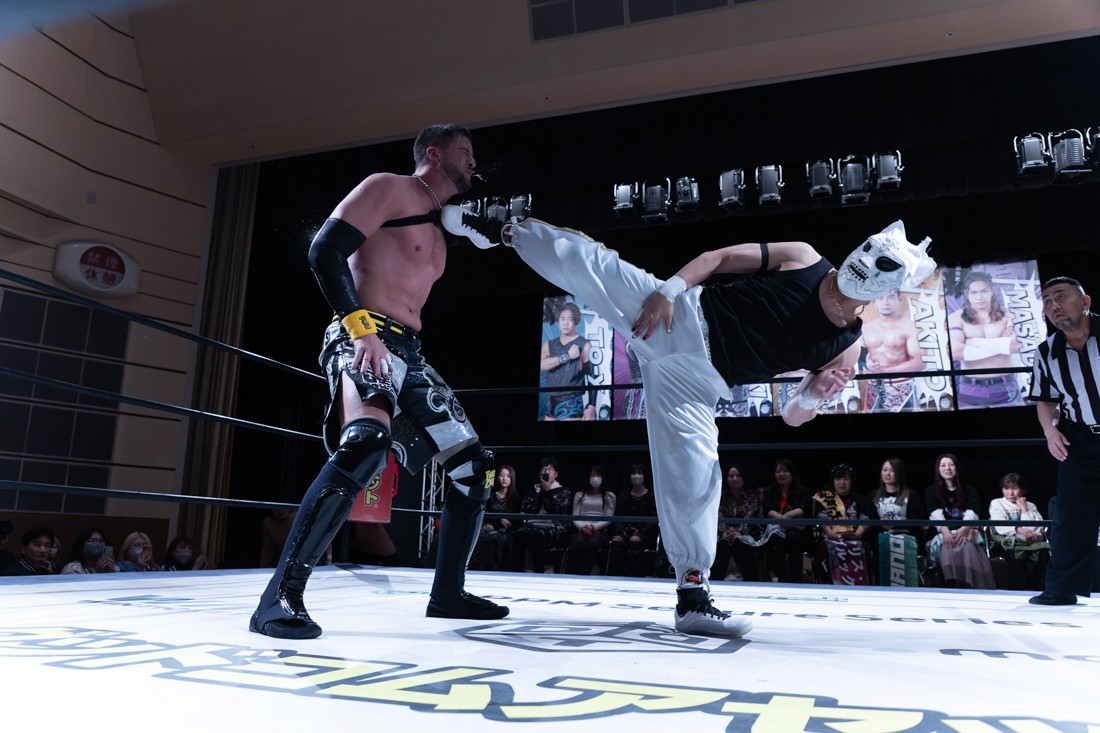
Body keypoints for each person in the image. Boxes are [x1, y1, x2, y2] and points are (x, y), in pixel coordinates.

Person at [445, 206, 935, 636]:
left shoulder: (848, 348)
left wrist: (814, 394)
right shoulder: (804, 257)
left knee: (699, 479)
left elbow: (792, 417)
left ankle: (692, 596)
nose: (866, 262)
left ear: (893, 285)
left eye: (884, 264)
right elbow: (718, 258)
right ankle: (501, 228)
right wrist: (668, 291)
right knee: (594, 264)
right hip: (676, 318)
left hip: (699, 384)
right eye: (869, 250)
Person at [250, 124, 508, 639]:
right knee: (366, 443)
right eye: (464, 151)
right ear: (433, 153)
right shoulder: (389, 187)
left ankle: (448, 594)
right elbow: (325, 250)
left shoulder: (442, 226)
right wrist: (360, 328)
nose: (473, 161)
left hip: (408, 352)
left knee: (475, 469)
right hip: (363, 333)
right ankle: (278, 598)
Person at [1027, 276, 1100, 605]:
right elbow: (1046, 399)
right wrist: (1050, 431)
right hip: (1080, 438)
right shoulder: (1046, 352)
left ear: (1085, 302)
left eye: (1060, 296)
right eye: (1047, 301)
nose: (1053, 305)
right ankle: (1062, 588)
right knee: (1070, 514)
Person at [949, 269, 1023, 407]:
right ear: (966, 293)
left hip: (1006, 385)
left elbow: (1015, 346)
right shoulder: (956, 317)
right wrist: (1002, 344)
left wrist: (972, 342)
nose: (979, 297)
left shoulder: (1008, 315)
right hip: (971, 387)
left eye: (984, 291)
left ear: (991, 291)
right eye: (974, 292)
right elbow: (955, 352)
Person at [924, 453, 995, 589]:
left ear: (957, 468)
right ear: (938, 469)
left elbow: (972, 513)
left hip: (966, 530)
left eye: (951, 465)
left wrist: (964, 529)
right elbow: (936, 515)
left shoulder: (969, 490)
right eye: (943, 465)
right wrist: (946, 532)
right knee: (948, 546)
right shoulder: (932, 491)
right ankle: (953, 586)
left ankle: (972, 588)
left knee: (968, 546)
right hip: (943, 533)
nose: (947, 468)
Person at [860, 289, 927, 412]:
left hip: (902, 387)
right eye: (880, 297)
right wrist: (867, 366)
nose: (885, 302)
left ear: (899, 299)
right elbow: (858, 360)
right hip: (873, 388)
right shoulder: (866, 328)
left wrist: (885, 371)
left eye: (890, 297)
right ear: (875, 301)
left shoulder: (911, 327)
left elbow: (919, 363)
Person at [811, 464, 874, 585]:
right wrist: (830, 533)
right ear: (833, 481)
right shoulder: (825, 498)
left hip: (855, 538)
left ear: (852, 481)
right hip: (830, 538)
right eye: (838, 479)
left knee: (861, 548)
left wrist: (857, 534)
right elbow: (822, 518)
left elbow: (866, 519)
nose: (842, 483)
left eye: (846, 479)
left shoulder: (861, 499)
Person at [508, 457, 572, 573]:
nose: (546, 472)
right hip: (531, 525)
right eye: (543, 469)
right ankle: (516, 572)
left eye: (549, 469)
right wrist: (541, 492)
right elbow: (527, 509)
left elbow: (558, 510)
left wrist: (548, 492)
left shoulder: (563, 491)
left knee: (535, 536)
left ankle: (539, 572)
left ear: (556, 474)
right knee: (517, 535)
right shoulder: (533, 491)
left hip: (553, 527)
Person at [988, 472, 1049, 590]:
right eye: (1006, 488)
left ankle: (1038, 591)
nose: (1010, 493)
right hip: (1007, 543)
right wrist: (1019, 529)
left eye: (1015, 488)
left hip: (1030, 541)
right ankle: (1016, 591)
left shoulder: (1030, 505)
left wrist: (1024, 508)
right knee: (1017, 555)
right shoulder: (997, 503)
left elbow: (1036, 528)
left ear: (1023, 490)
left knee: (1043, 554)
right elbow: (1000, 526)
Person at [711, 464, 769, 582]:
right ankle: (715, 581)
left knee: (740, 544)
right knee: (722, 545)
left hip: (746, 534)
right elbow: (718, 514)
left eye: (738, 476)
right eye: (731, 476)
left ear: (743, 477)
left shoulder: (752, 496)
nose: (735, 479)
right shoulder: (721, 495)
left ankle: (751, 581)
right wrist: (725, 531)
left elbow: (750, 516)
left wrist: (739, 532)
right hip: (724, 534)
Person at [541, 301, 596, 420]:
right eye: (562, 319)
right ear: (558, 320)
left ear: (575, 321)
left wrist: (592, 406)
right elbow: (541, 365)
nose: (565, 323)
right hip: (550, 404)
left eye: (570, 319)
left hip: (572, 404)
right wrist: (567, 356)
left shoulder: (585, 345)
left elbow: (593, 377)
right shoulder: (549, 344)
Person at [762, 458, 811, 584]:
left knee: (794, 538)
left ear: (792, 473)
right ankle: (781, 579)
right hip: (776, 527)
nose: (781, 474)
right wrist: (781, 519)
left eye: (785, 471)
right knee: (776, 539)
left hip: (797, 528)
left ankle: (796, 579)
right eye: (778, 472)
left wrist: (788, 516)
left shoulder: (803, 491)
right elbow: (768, 509)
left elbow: (805, 508)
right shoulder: (769, 491)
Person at [609, 463, 660, 577]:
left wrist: (639, 531)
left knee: (634, 540)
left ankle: (636, 575)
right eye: (633, 473)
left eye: (639, 473)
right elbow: (618, 516)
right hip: (626, 530)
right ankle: (618, 575)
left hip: (645, 532)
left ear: (644, 476)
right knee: (616, 541)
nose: (636, 476)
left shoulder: (651, 496)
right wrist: (624, 530)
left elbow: (653, 518)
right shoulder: (624, 496)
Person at [565, 465, 616, 575]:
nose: (595, 478)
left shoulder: (610, 496)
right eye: (593, 475)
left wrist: (593, 527)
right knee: (578, 542)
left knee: (592, 543)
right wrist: (582, 527)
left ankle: (584, 575)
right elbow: (575, 516)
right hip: (580, 531)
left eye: (598, 475)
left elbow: (609, 518)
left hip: (600, 532)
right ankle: (570, 574)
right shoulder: (579, 495)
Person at [470, 463, 518, 571]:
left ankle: (495, 569)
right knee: (481, 537)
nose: (504, 478)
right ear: (497, 478)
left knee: (497, 539)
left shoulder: (515, 497)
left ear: (512, 478)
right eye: (501, 475)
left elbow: (512, 520)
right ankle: (479, 569)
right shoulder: (491, 496)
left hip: (505, 530)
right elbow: (487, 515)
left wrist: (498, 525)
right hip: (489, 527)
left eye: (508, 476)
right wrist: (493, 524)